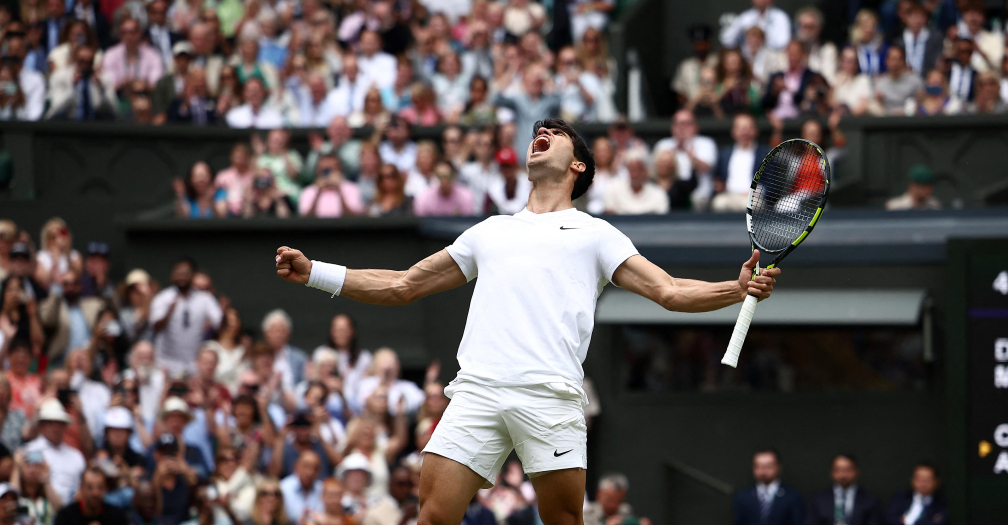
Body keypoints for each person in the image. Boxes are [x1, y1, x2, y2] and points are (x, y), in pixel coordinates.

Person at [273, 117, 781, 525]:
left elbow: (669, 292)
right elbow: (404, 284)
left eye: (557, 132)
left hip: (551, 396)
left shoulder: (597, 234)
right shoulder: (489, 231)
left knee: (563, 519)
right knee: (433, 516)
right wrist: (315, 272)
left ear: (578, 164)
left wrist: (734, 290)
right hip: (477, 391)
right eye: (540, 129)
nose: (543, 131)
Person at [149, 257, 222, 374]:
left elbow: (220, 323)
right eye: (178, 273)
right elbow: (155, 327)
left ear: (193, 275)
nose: (182, 276)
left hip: (194, 365)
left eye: (186, 273)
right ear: (172, 275)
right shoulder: (163, 298)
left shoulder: (205, 299)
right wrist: (169, 313)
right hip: (165, 364)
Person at [21, 400, 85, 502]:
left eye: (59, 423)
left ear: (65, 426)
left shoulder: (76, 456)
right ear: (41, 425)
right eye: (50, 423)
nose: (55, 428)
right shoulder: (29, 451)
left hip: (70, 511)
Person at [712, 113, 770, 212]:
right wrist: (719, 185)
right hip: (728, 195)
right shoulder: (725, 153)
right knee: (718, 203)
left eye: (748, 128)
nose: (744, 132)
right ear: (733, 132)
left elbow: (772, 182)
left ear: (755, 131)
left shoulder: (765, 154)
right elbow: (718, 178)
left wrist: (757, 191)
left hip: (752, 197)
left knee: (751, 205)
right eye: (741, 128)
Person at [733, 449, 805, 525]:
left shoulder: (792, 496)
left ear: (778, 466)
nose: (763, 471)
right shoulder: (743, 496)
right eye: (758, 466)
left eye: (768, 466)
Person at [808, 454, 882, 525]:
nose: (842, 475)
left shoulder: (870, 500)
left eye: (847, 470)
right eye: (838, 470)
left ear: (856, 471)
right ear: (831, 472)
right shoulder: (819, 499)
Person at [603, 148, 669, 215]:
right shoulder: (613, 188)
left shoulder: (659, 194)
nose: (635, 174)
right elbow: (609, 214)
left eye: (639, 170)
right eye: (632, 170)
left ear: (645, 171)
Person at [51, 468, 124, 525]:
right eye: (89, 487)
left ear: (106, 489)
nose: (95, 493)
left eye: (100, 487)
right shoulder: (66, 517)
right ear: (81, 488)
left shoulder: (116, 516)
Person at [299, 155, 364, 218]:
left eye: (331, 170)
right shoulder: (308, 191)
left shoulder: (352, 189)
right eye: (324, 171)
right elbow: (305, 220)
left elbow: (355, 218)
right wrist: (318, 193)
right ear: (317, 171)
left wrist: (339, 190)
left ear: (339, 170)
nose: (328, 174)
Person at [672, 25, 719, 107]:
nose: (701, 47)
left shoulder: (718, 62)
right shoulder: (685, 66)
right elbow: (680, 92)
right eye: (697, 44)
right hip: (692, 108)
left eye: (703, 43)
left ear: (709, 43)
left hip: (715, 107)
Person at [720, 0, 790, 52]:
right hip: (747, 60)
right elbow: (726, 41)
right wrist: (742, 31)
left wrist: (760, 35)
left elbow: (783, 43)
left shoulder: (780, 17)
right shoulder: (745, 17)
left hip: (772, 58)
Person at [894, 3, 941, 79]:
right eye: (914, 16)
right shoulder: (899, 41)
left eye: (921, 17)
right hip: (904, 78)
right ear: (906, 18)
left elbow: (937, 61)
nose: (917, 21)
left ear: (926, 19)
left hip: (927, 78)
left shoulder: (934, 38)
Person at [279, 450, 324, 523]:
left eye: (315, 468)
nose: (310, 472)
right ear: (296, 466)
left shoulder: (322, 489)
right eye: (306, 466)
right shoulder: (283, 488)